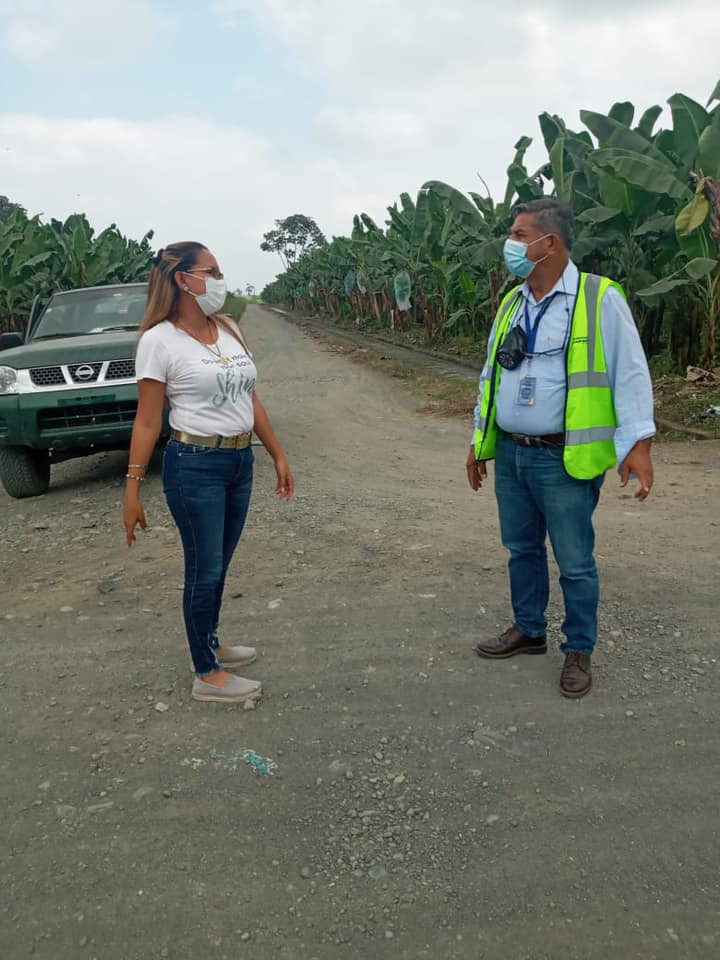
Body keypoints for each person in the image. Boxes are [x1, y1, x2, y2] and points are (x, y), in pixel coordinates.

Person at [466, 199, 654, 699]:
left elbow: (630, 371)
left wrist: (638, 444)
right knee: (521, 549)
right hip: (512, 453)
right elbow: (490, 375)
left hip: (562, 458)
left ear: (549, 243)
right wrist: (478, 441)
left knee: (574, 561)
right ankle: (529, 630)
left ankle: (579, 648)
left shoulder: (598, 297)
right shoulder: (512, 302)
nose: (510, 244)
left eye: (518, 235)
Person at [123, 242, 294, 703]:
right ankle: (206, 673)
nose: (219, 280)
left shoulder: (229, 328)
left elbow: (249, 397)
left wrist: (276, 453)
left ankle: (212, 642)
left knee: (219, 564)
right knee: (204, 568)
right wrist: (132, 487)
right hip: (194, 464)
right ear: (183, 280)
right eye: (211, 271)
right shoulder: (159, 341)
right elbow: (148, 420)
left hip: (239, 460)